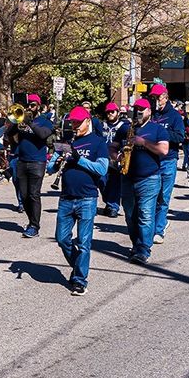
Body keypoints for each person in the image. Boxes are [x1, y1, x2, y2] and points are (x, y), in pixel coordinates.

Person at [55, 107, 108, 296]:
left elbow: (102, 169)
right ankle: (79, 264)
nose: (75, 125)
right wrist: (56, 161)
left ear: (88, 121)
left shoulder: (98, 143)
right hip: (66, 197)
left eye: (78, 122)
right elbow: (52, 168)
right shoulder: (67, 141)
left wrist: (78, 160)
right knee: (61, 239)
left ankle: (79, 280)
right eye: (73, 122)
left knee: (84, 242)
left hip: (87, 198)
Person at [113, 98, 169, 265]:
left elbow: (164, 150)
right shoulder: (125, 129)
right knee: (130, 215)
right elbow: (112, 147)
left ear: (149, 112)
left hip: (149, 178)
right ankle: (136, 244)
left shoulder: (157, 129)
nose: (138, 112)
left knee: (145, 214)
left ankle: (143, 249)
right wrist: (117, 157)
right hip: (127, 177)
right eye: (136, 109)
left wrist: (143, 142)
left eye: (142, 109)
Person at [4, 93, 53, 239]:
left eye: (32, 105)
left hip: (38, 161)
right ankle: (31, 221)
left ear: (38, 106)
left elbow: (43, 135)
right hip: (22, 160)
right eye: (28, 105)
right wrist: (16, 122)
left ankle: (34, 225)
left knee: (34, 194)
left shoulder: (45, 121)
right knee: (24, 196)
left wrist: (30, 123)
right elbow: (8, 134)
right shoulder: (20, 121)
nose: (29, 107)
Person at [147, 83, 184, 244]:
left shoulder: (174, 116)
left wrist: (160, 133)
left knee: (163, 196)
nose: (156, 100)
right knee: (151, 196)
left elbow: (180, 137)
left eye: (158, 97)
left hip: (168, 160)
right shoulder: (151, 114)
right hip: (151, 159)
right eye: (153, 97)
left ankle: (159, 230)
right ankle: (153, 225)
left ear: (165, 97)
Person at [99, 102, 128, 218]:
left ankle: (113, 206)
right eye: (108, 112)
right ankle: (109, 203)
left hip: (116, 159)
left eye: (112, 112)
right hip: (103, 159)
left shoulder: (124, 126)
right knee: (102, 182)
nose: (110, 114)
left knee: (114, 183)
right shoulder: (101, 126)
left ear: (118, 113)